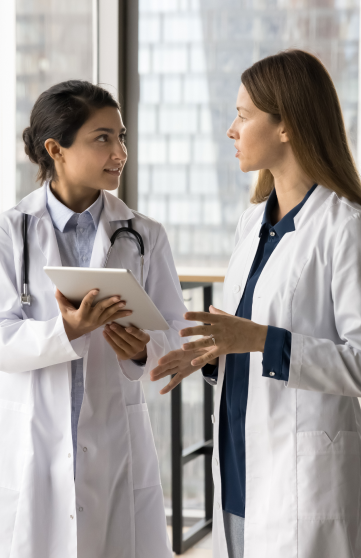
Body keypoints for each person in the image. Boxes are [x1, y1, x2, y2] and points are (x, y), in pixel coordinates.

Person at [150, 49, 361, 558]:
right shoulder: (252, 225)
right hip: (239, 468)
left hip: (303, 482)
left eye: (243, 116)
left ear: (285, 125)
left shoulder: (345, 227)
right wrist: (212, 353)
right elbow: (243, 341)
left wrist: (263, 341)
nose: (231, 129)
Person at [0, 80, 189, 558]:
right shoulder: (10, 233)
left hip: (116, 444)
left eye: (121, 137)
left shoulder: (145, 234)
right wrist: (67, 331)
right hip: (36, 445)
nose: (119, 151)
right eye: (102, 138)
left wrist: (144, 349)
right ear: (55, 149)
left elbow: (177, 332)